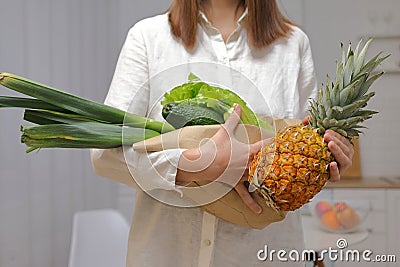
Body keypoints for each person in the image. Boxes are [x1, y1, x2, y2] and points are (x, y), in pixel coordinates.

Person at [90, 0, 354, 266]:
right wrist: (195, 166)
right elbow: (105, 154)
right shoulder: (148, 38)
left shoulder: (293, 44)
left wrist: (328, 154)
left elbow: (308, 140)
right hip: (167, 254)